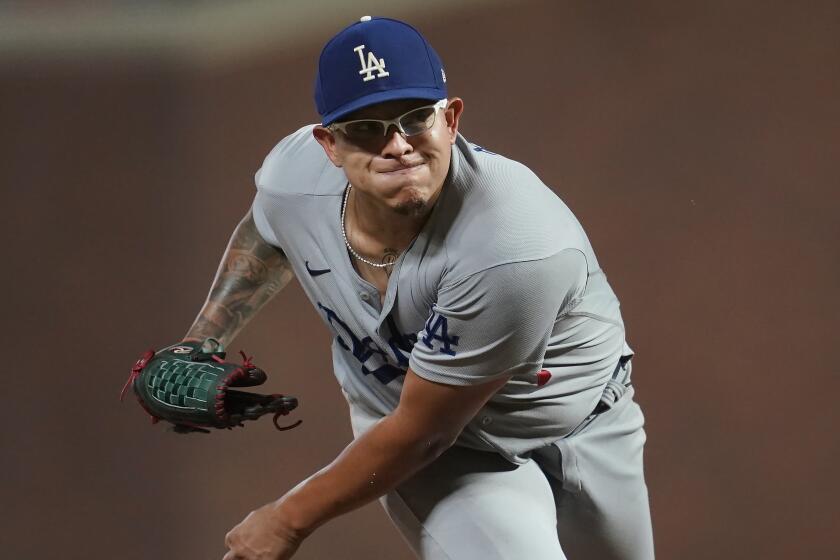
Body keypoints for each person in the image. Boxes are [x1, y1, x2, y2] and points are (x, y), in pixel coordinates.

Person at [195, 16, 654, 560]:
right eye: (366, 126)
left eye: (414, 119)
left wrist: (286, 520)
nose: (397, 145)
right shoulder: (293, 180)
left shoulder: (512, 242)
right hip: (443, 454)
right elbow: (267, 228)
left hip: (581, 421)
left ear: (451, 119)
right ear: (328, 144)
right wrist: (203, 339)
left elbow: (424, 428)